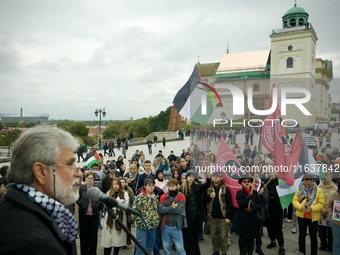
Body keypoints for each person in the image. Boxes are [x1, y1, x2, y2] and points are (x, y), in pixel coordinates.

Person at [0, 126, 82, 254]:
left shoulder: (11, 205)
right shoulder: (34, 245)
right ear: (41, 172)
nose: (79, 173)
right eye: (69, 164)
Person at [180, 169, 212, 255]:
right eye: (190, 176)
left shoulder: (197, 187)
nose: (191, 178)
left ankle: (196, 253)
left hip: (196, 216)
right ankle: (188, 252)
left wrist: (208, 177)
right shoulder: (182, 188)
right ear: (186, 177)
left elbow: (207, 185)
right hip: (187, 217)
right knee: (187, 237)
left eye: (193, 176)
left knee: (195, 237)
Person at [292, 174, 325, 255]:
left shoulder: (318, 190)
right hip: (301, 215)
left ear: (312, 181)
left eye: (309, 184)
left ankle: (314, 253)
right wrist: (300, 207)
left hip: (313, 217)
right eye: (305, 184)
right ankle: (301, 251)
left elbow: (321, 204)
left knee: (313, 236)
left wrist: (312, 208)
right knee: (301, 235)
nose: (307, 185)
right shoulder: (299, 188)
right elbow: (294, 200)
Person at [132, 177, 161, 255]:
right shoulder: (140, 197)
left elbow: (157, 211)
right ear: (145, 186)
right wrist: (141, 223)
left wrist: (157, 220)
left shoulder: (155, 197)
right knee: (141, 247)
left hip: (153, 226)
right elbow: (134, 212)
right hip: (142, 227)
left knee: (150, 247)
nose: (151, 187)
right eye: (149, 185)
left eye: (153, 185)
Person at [205, 172, 232, 255]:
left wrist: (228, 217)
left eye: (218, 177)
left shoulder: (225, 188)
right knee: (214, 235)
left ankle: (224, 252)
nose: (216, 178)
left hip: (223, 217)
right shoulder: (209, 188)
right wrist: (209, 196)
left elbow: (229, 203)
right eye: (214, 176)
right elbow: (203, 200)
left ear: (221, 178)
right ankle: (216, 251)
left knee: (223, 236)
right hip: (212, 216)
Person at [236, 175, 263, 255]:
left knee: (251, 238)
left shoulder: (254, 192)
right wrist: (247, 198)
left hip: (252, 217)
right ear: (241, 183)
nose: (247, 183)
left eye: (248, 181)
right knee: (242, 237)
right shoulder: (240, 193)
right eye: (245, 181)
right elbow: (241, 204)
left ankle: (250, 253)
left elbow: (261, 204)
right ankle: (242, 252)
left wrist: (253, 208)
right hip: (243, 218)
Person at [101, 177, 129, 255]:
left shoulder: (124, 193)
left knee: (117, 241)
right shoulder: (108, 193)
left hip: (120, 218)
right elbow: (106, 204)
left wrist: (116, 204)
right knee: (108, 241)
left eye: (117, 184)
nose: (115, 186)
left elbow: (126, 205)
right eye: (114, 184)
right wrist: (119, 203)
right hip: (109, 218)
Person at [77, 171, 103, 255]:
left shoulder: (97, 188)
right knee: (84, 235)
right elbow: (77, 198)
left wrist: (98, 206)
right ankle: (84, 252)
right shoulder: (82, 188)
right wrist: (81, 205)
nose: (90, 180)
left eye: (91, 178)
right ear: (85, 178)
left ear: (94, 179)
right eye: (88, 178)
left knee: (93, 235)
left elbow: (101, 199)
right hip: (83, 214)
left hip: (94, 214)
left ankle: (92, 252)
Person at [159, 178, 186, 255]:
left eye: (173, 186)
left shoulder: (181, 196)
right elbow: (161, 210)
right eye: (169, 186)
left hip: (176, 227)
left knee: (180, 249)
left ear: (177, 186)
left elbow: (179, 210)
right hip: (165, 227)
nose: (171, 188)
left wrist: (167, 209)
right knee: (167, 249)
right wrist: (172, 207)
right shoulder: (163, 196)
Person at [264, 169, 286, 255]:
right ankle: (272, 240)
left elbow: (277, 193)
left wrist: (267, 192)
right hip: (269, 206)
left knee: (278, 228)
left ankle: (281, 246)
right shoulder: (266, 181)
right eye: (269, 171)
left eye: (272, 171)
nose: (270, 173)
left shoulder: (279, 181)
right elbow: (263, 191)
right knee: (269, 226)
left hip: (277, 206)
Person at [318, 171, 337, 252]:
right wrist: (321, 208)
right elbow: (317, 198)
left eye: (328, 177)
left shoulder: (335, 188)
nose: (326, 179)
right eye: (325, 177)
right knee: (321, 230)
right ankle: (323, 245)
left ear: (331, 178)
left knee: (330, 231)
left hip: (330, 211)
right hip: (321, 211)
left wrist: (328, 209)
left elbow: (335, 201)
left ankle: (330, 245)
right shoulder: (320, 186)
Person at [325, 180, 340, 254]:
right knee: (336, 243)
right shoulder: (333, 194)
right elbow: (328, 204)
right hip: (336, 223)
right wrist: (331, 214)